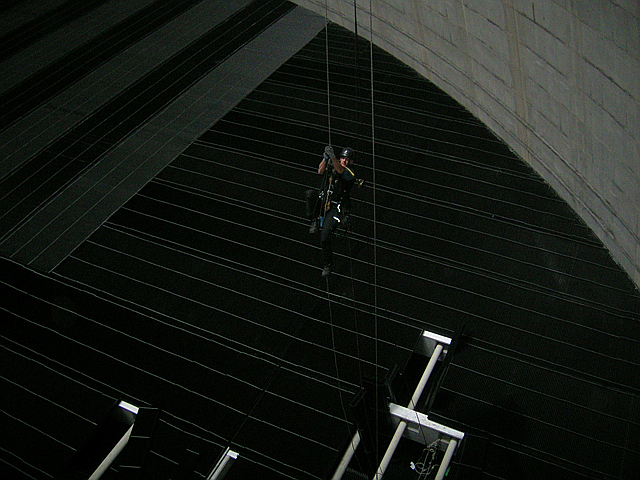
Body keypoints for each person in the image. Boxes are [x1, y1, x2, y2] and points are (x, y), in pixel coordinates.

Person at [305, 146, 357, 277]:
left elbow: (341, 171)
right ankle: (314, 220)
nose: (344, 161)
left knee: (325, 237)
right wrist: (325, 158)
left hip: (335, 208)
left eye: (347, 159)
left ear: (351, 162)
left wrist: (332, 157)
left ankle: (328, 264)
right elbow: (320, 171)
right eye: (343, 158)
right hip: (324, 202)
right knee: (310, 194)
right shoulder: (332, 166)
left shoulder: (349, 173)